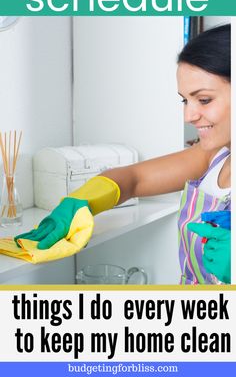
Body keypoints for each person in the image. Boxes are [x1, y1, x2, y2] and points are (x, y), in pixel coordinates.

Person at [15, 24, 231, 284]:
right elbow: (134, 178)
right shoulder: (214, 156)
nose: (189, 116)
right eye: (185, 100)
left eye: (204, 100)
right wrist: (82, 201)